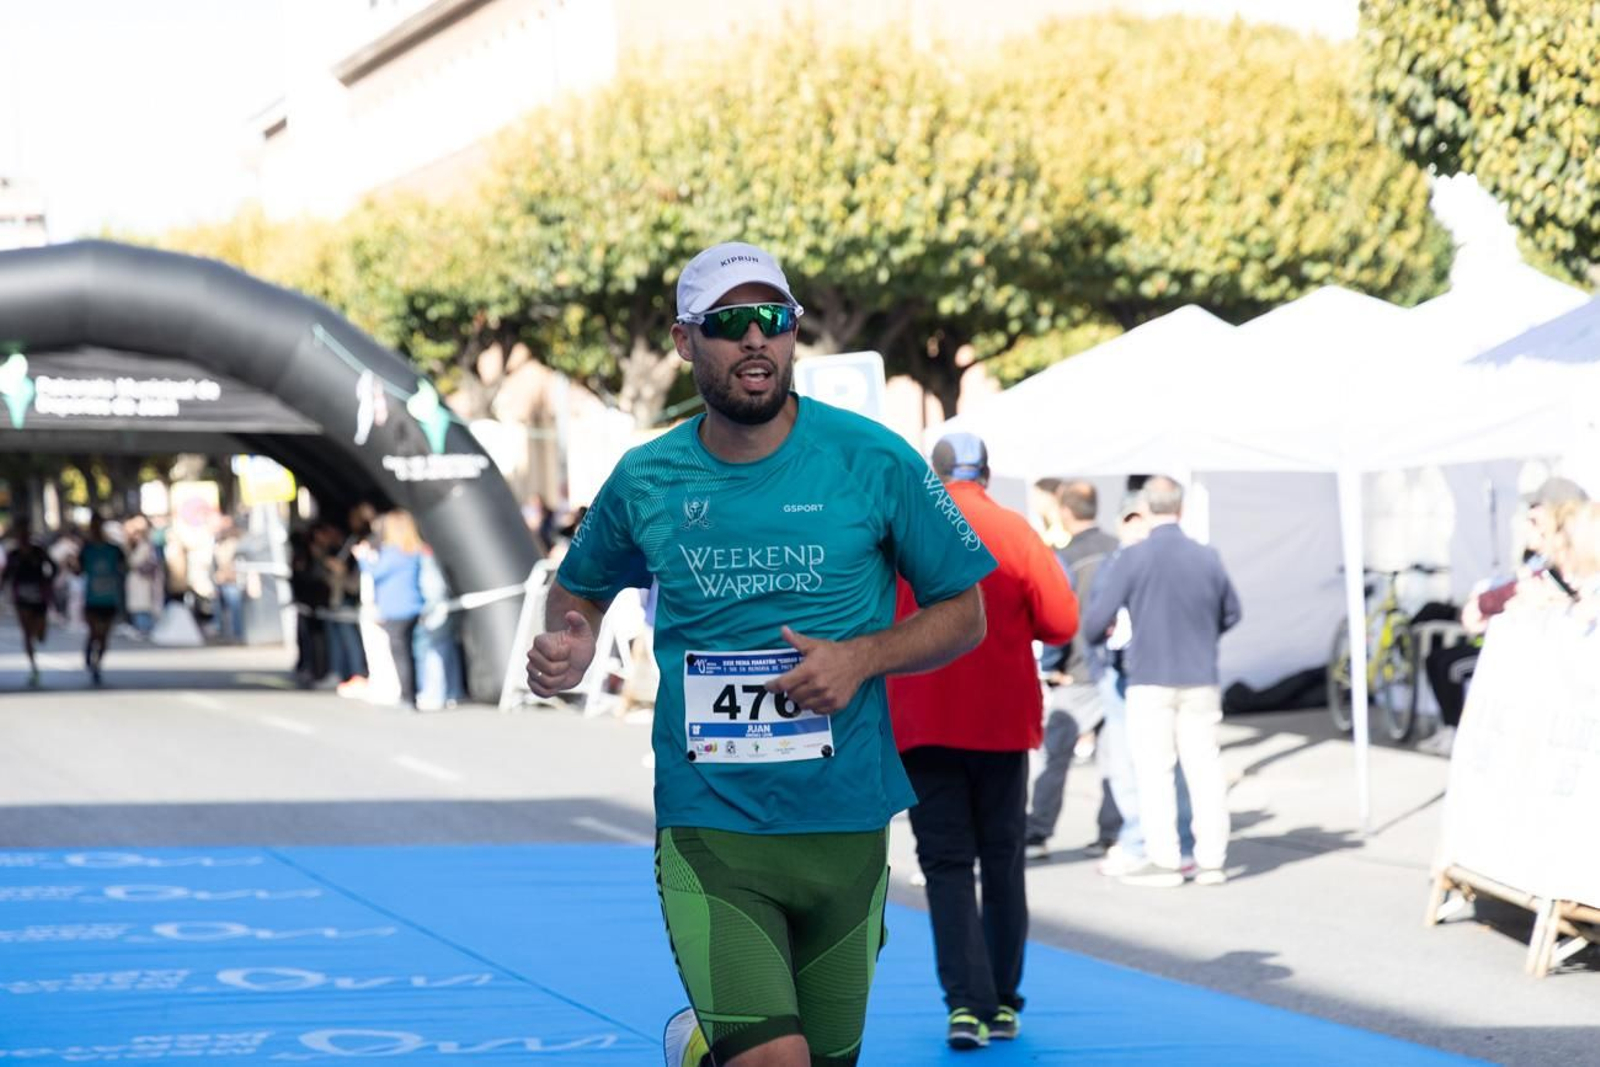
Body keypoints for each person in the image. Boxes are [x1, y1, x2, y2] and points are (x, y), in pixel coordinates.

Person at [524, 241, 993, 1067]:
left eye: (772, 320)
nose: (755, 340)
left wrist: (861, 657)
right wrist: (576, 636)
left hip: (846, 823)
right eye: (730, 322)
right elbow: (580, 587)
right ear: (683, 341)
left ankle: (702, 1051)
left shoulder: (873, 458)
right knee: (776, 1062)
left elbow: (967, 613)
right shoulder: (648, 477)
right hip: (713, 822)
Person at [888, 434, 1078, 1050]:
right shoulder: (1017, 531)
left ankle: (964, 1007)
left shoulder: (906, 531)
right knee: (1003, 862)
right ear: (988, 474)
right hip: (1001, 723)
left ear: (932, 475)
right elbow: (1062, 621)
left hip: (922, 720)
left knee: (946, 865)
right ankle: (1002, 1002)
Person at [1082, 475, 1240, 888]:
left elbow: (1096, 621)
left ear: (1148, 509)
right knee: (1205, 767)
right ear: (1181, 508)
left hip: (1150, 676)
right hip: (1200, 675)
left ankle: (1166, 859)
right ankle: (1211, 859)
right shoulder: (1207, 556)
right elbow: (1231, 612)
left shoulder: (1134, 558)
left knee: (1155, 770)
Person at [1421, 476, 1589, 756]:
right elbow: (1484, 606)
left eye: (1536, 521)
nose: (1529, 528)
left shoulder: (1578, 569)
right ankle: (1451, 729)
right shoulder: (1541, 566)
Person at [1025, 479, 1122, 860]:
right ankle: (1111, 833)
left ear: (1064, 512)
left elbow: (1055, 618)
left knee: (1053, 758)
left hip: (1076, 672)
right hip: (1112, 670)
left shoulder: (1063, 557)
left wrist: (1049, 667)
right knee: (1114, 759)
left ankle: (1038, 832)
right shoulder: (1118, 550)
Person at [355, 509, 426, 709]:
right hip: (413, 607)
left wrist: (362, 558)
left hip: (395, 610)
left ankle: (406, 697)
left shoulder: (393, 553)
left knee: (400, 654)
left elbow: (374, 573)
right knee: (409, 653)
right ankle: (410, 694)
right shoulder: (413, 552)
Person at [2, 517, 57, 687]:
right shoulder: (13, 554)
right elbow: (6, 576)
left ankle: (36, 635)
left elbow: (53, 567)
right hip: (22, 598)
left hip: (39, 596)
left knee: (40, 635)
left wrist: (48, 581)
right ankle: (34, 666)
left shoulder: (38, 551)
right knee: (27, 633)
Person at [76, 515, 126, 686]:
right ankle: (89, 652)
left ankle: (97, 664)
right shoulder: (86, 549)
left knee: (104, 637)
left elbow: (124, 566)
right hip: (92, 599)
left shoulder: (114, 549)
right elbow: (79, 570)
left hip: (109, 599)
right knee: (94, 632)